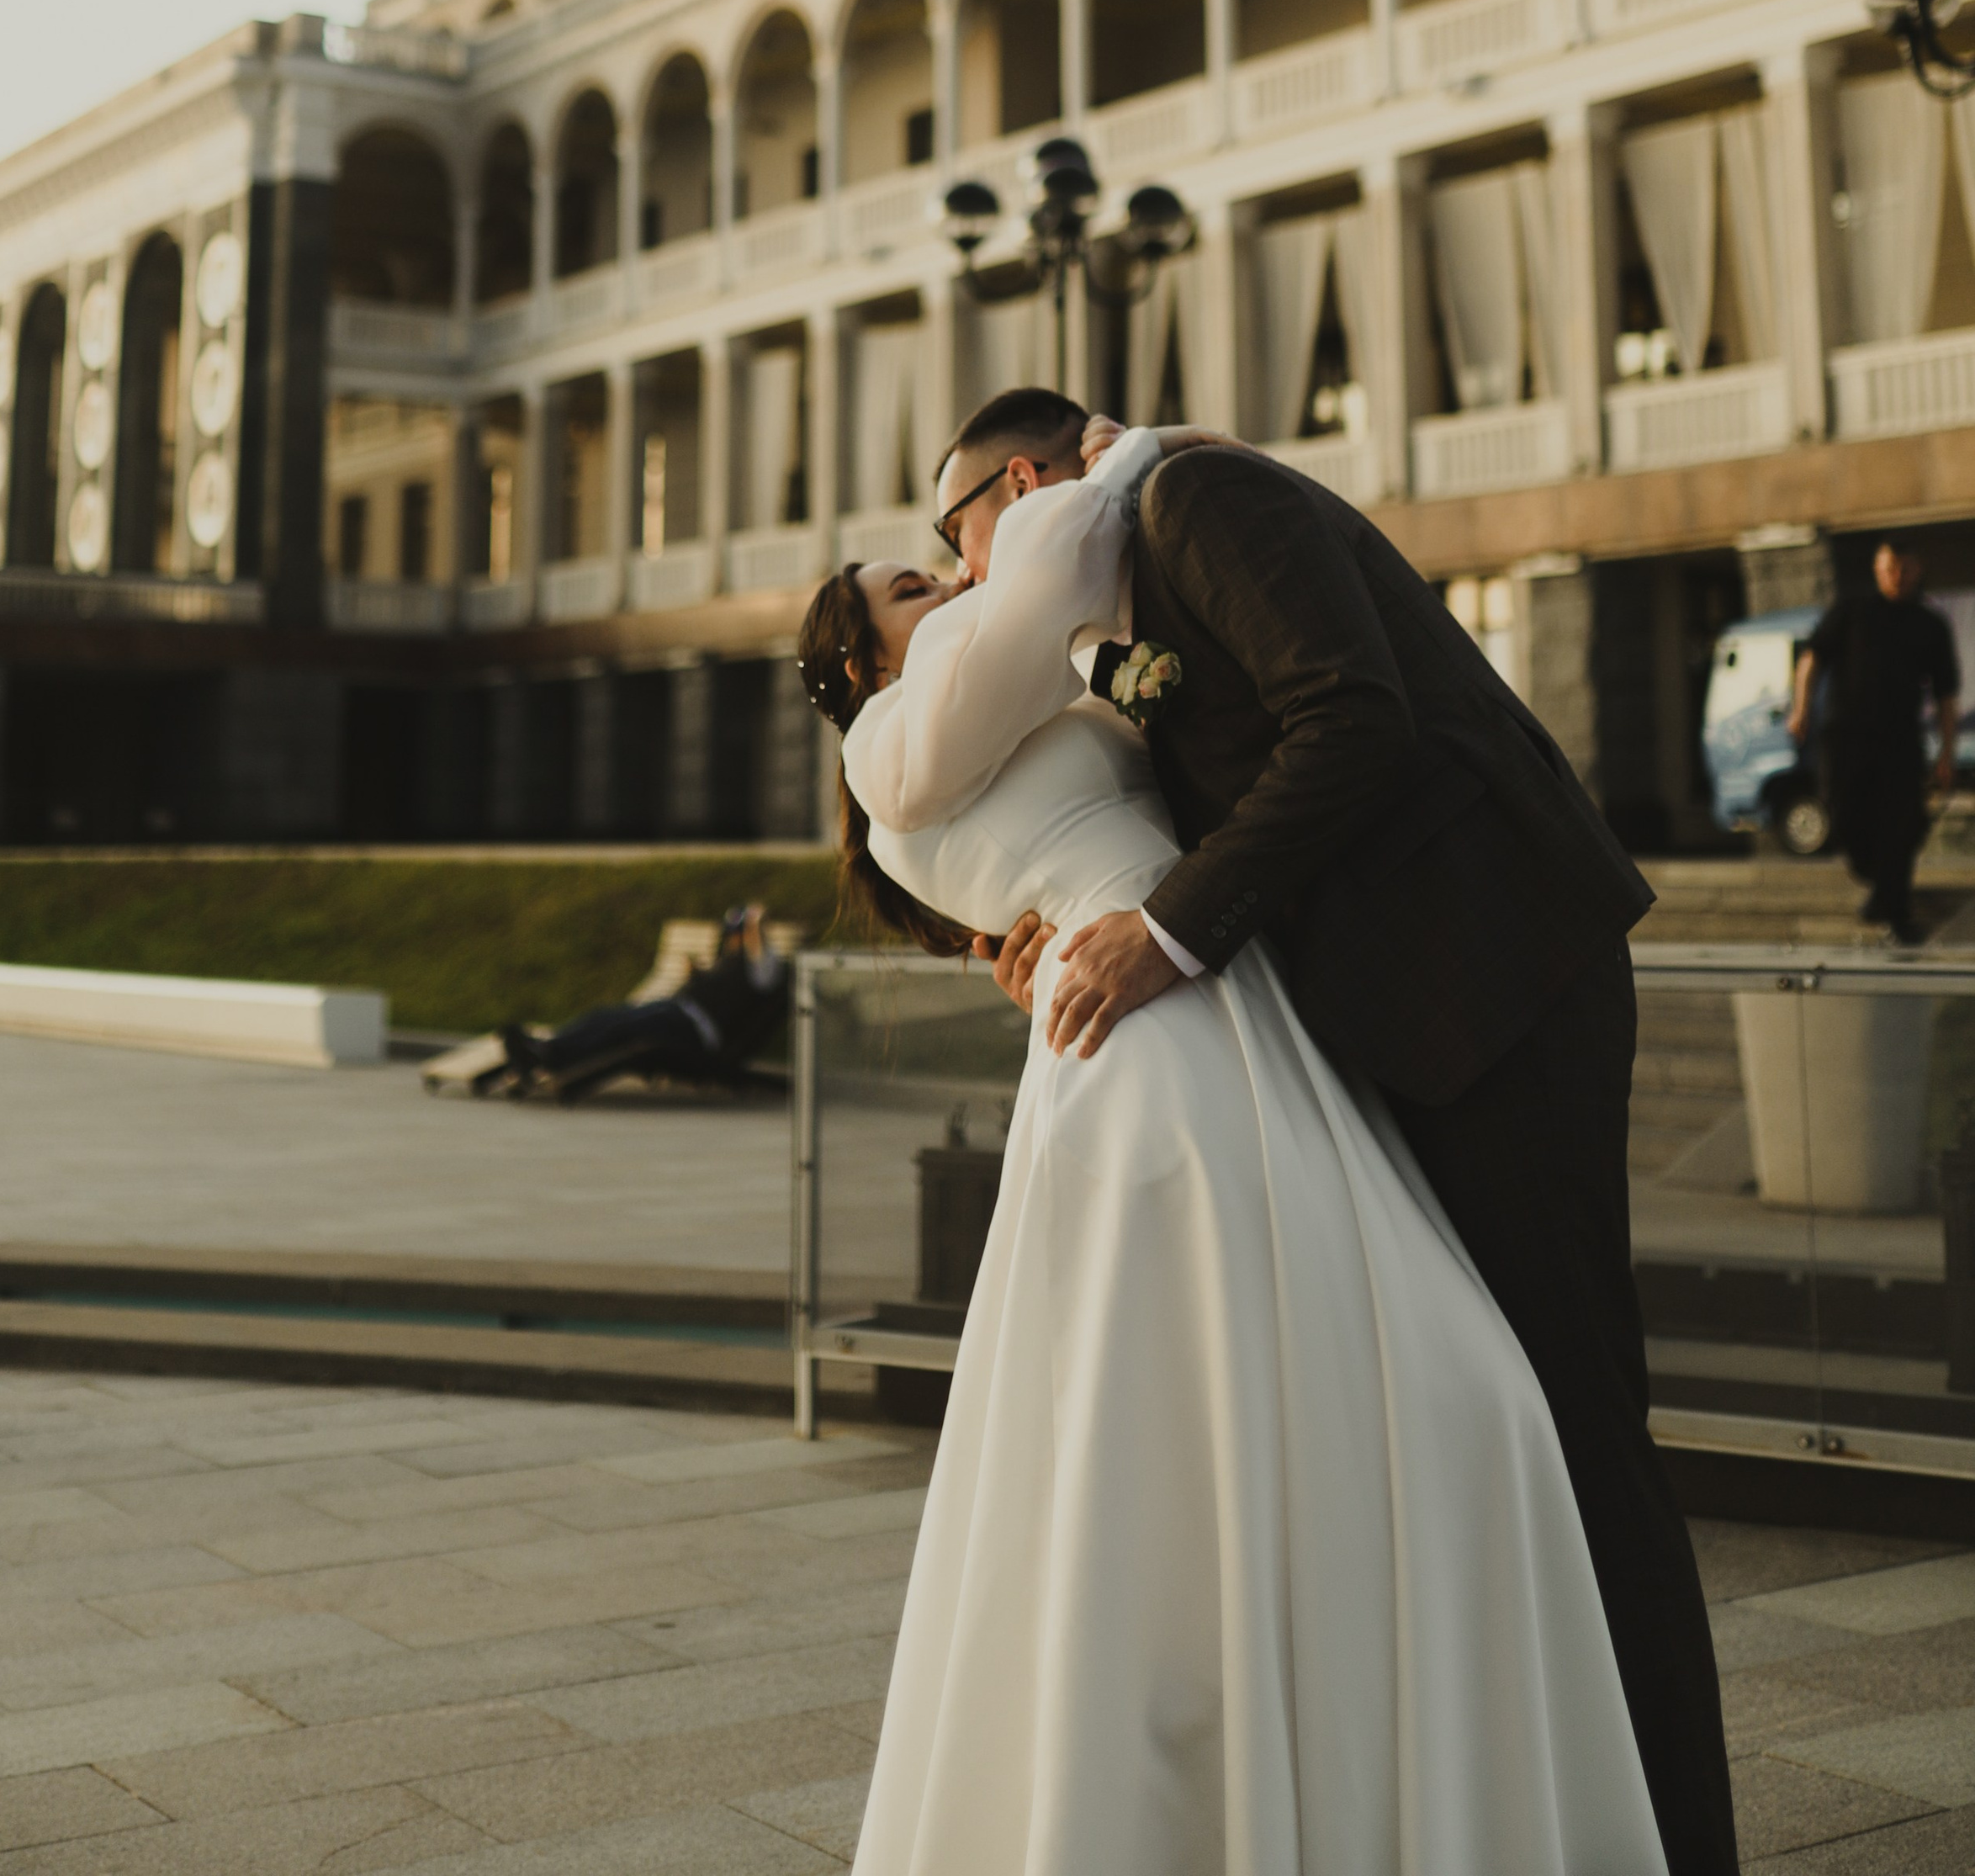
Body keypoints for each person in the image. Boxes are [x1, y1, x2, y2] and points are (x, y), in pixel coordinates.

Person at [800, 423, 1669, 1873]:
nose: (946, 575)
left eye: (945, 539)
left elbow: (1253, 749)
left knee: (1405, 1387)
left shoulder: (1069, 632)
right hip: (1159, 1034)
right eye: (908, 581)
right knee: (1206, 1414)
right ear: (855, 666)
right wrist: (1116, 470)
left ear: (1015, 487)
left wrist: (1115, 480)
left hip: (1244, 993)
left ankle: (1389, 1743)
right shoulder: (902, 729)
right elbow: (1034, 639)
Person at [1790, 539, 1961, 945]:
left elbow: (1946, 695)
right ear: (1877, 569)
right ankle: (1883, 890)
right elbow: (1812, 658)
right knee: (1844, 815)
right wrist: (1801, 709)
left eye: (1903, 569)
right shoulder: (1852, 613)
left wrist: (1947, 754)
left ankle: (1895, 912)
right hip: (1844, 737)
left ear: (1916, 570)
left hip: (1899, 740)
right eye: (1888, 569)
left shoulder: (1929, 624)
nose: (1896, 577)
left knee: (1902, 825)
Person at [493, 904, 786, 1101]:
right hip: (674, 1012)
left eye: (738, 935)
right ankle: (544, 1049)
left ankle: (552, 1056)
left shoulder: (761, 969)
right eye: (732, 935)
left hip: (694, 1032)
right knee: (606, 1017)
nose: (734, 941)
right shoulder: (725, 964)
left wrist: (755, 923)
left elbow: (761, 950)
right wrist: (695, 975)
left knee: (626, 1031)